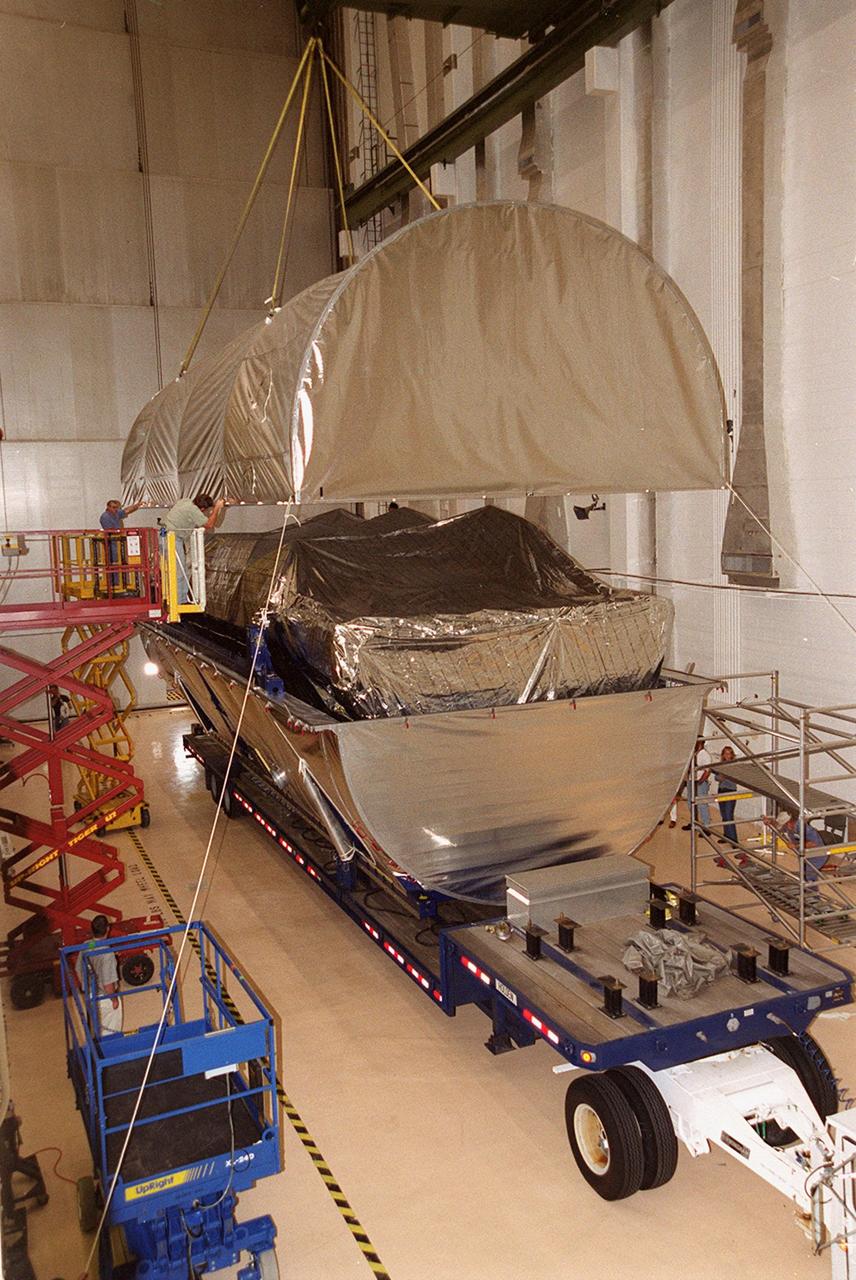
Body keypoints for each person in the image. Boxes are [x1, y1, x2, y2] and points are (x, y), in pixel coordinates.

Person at [164, 492, 225, 604]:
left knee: (184, 569)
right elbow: (209, 525)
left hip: (170, 536)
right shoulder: (193, 510)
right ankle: (177, 603)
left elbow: (186, 522)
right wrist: (217, 508)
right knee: (179, 571)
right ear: (202, 509)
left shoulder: (185, 501)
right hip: (172, 538)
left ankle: (181, 599)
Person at [79, 915, 122, 1037]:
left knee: (96, 1029)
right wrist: (113, 999)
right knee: (110, 1032)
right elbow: (107, 983)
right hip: (105, 998)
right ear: (107, 929)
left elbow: (79, 969)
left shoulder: (87, 945)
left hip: (91, 994)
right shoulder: (108, 954)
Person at [765, 809, 829, 881]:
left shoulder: (806, 829)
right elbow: (778, 827)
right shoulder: (789, 826)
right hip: (803, 854)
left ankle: (811, 891)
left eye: (784, 825)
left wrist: (796, 846)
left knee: (808, 875)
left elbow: (813, 844)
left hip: (817, 855)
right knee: (804, 874)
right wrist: (770, 822)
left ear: (789, 822)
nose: (784, 827)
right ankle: (807, 889)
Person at [682, 738, 711, 830]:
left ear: (700, 743)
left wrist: (701, 781)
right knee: (691, 802)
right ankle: (694, 822)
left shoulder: (705, 755)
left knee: (702, 804)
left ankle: (706, 826)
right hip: (691, 781)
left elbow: (707, 770)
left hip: (699, 782)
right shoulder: (693, 753)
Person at [716, 745, 739, 844]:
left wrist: (724, 776)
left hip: (730, 791)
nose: (727, 755)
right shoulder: (721, 765)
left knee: (729, 814)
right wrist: (721, 776)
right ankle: (726, 836)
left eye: (729, 753)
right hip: (721, 790)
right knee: (724, 814)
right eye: (725, 753)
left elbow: (734, 778)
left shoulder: (734, 765)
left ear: (732, 755)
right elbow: (717, 778)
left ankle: (734, 840)